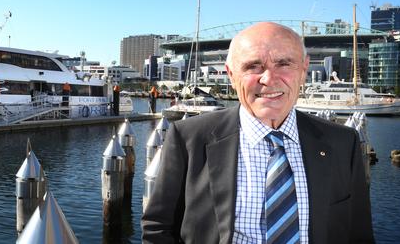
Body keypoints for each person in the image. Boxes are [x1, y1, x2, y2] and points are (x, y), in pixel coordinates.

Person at [141, 22, 374, 244]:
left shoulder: (343, 142)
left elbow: (358, 234)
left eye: (283, 64)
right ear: (231, 75)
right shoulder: (189, 138)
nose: (269, 79)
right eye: (253, 66)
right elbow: (159, 227)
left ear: (303, 70)